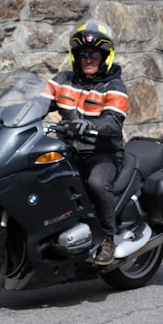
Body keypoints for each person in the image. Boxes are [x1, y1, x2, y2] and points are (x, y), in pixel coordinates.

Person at [44, 19, 130, 266]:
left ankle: (107, 239)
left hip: (102, 153)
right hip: (68, 150)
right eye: (83, 54)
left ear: (105, 56)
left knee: (96, 183)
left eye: (94, 53)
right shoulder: (63, 80)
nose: (88, 59)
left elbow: (113, 122)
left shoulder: (114, 86)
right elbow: (35, 101)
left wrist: (90, 125)